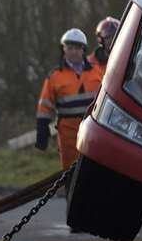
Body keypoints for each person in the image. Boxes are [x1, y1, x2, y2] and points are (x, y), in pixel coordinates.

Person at [35, 27, 105, 169]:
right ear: (64, 50)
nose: (73, 51)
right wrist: (42, 129)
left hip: (94, 131)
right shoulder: (54, 76)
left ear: (83, 50)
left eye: (77, 48)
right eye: (70, 48)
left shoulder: (97, 72)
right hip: (68, 136)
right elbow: (45, 106)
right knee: (70, 174)